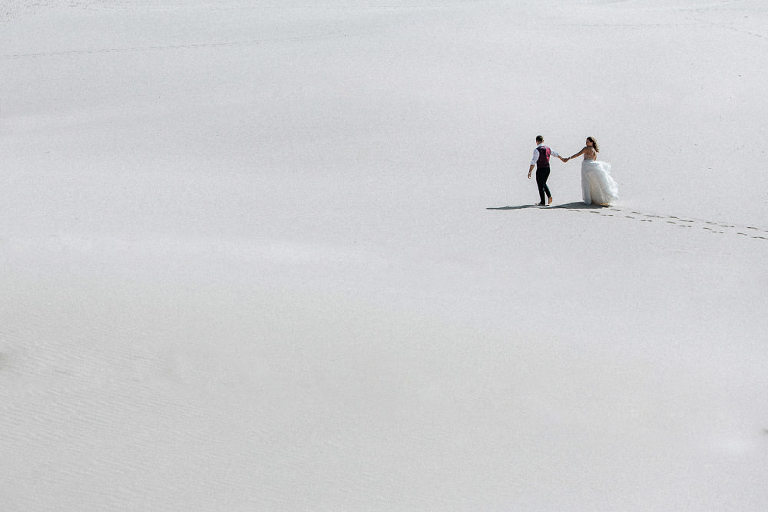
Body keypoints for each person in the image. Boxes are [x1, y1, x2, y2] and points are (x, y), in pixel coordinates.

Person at [562, 136, 619, 206]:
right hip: (592, 165)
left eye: (588, 142)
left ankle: (588, 200)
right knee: (595, 182)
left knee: (587, 182)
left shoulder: (586, 149)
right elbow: (594, 159)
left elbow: (577, 154)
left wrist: (569, 158)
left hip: (586, 166)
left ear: (592, 142)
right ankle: (598, 198)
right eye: (586, 142)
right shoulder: (594, 150)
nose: (586, 143)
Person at [528, 135, 564, 206]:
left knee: (540, 184)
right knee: (543, 183)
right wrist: (562, 158)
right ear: (543, 141)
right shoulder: (548, 148)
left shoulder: (537, 150)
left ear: (537, 142)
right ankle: (543, 201)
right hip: (547, 168)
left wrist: (530, 171)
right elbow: (555, 154)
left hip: (540, 169)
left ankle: (546, 198)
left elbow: (533, 161)